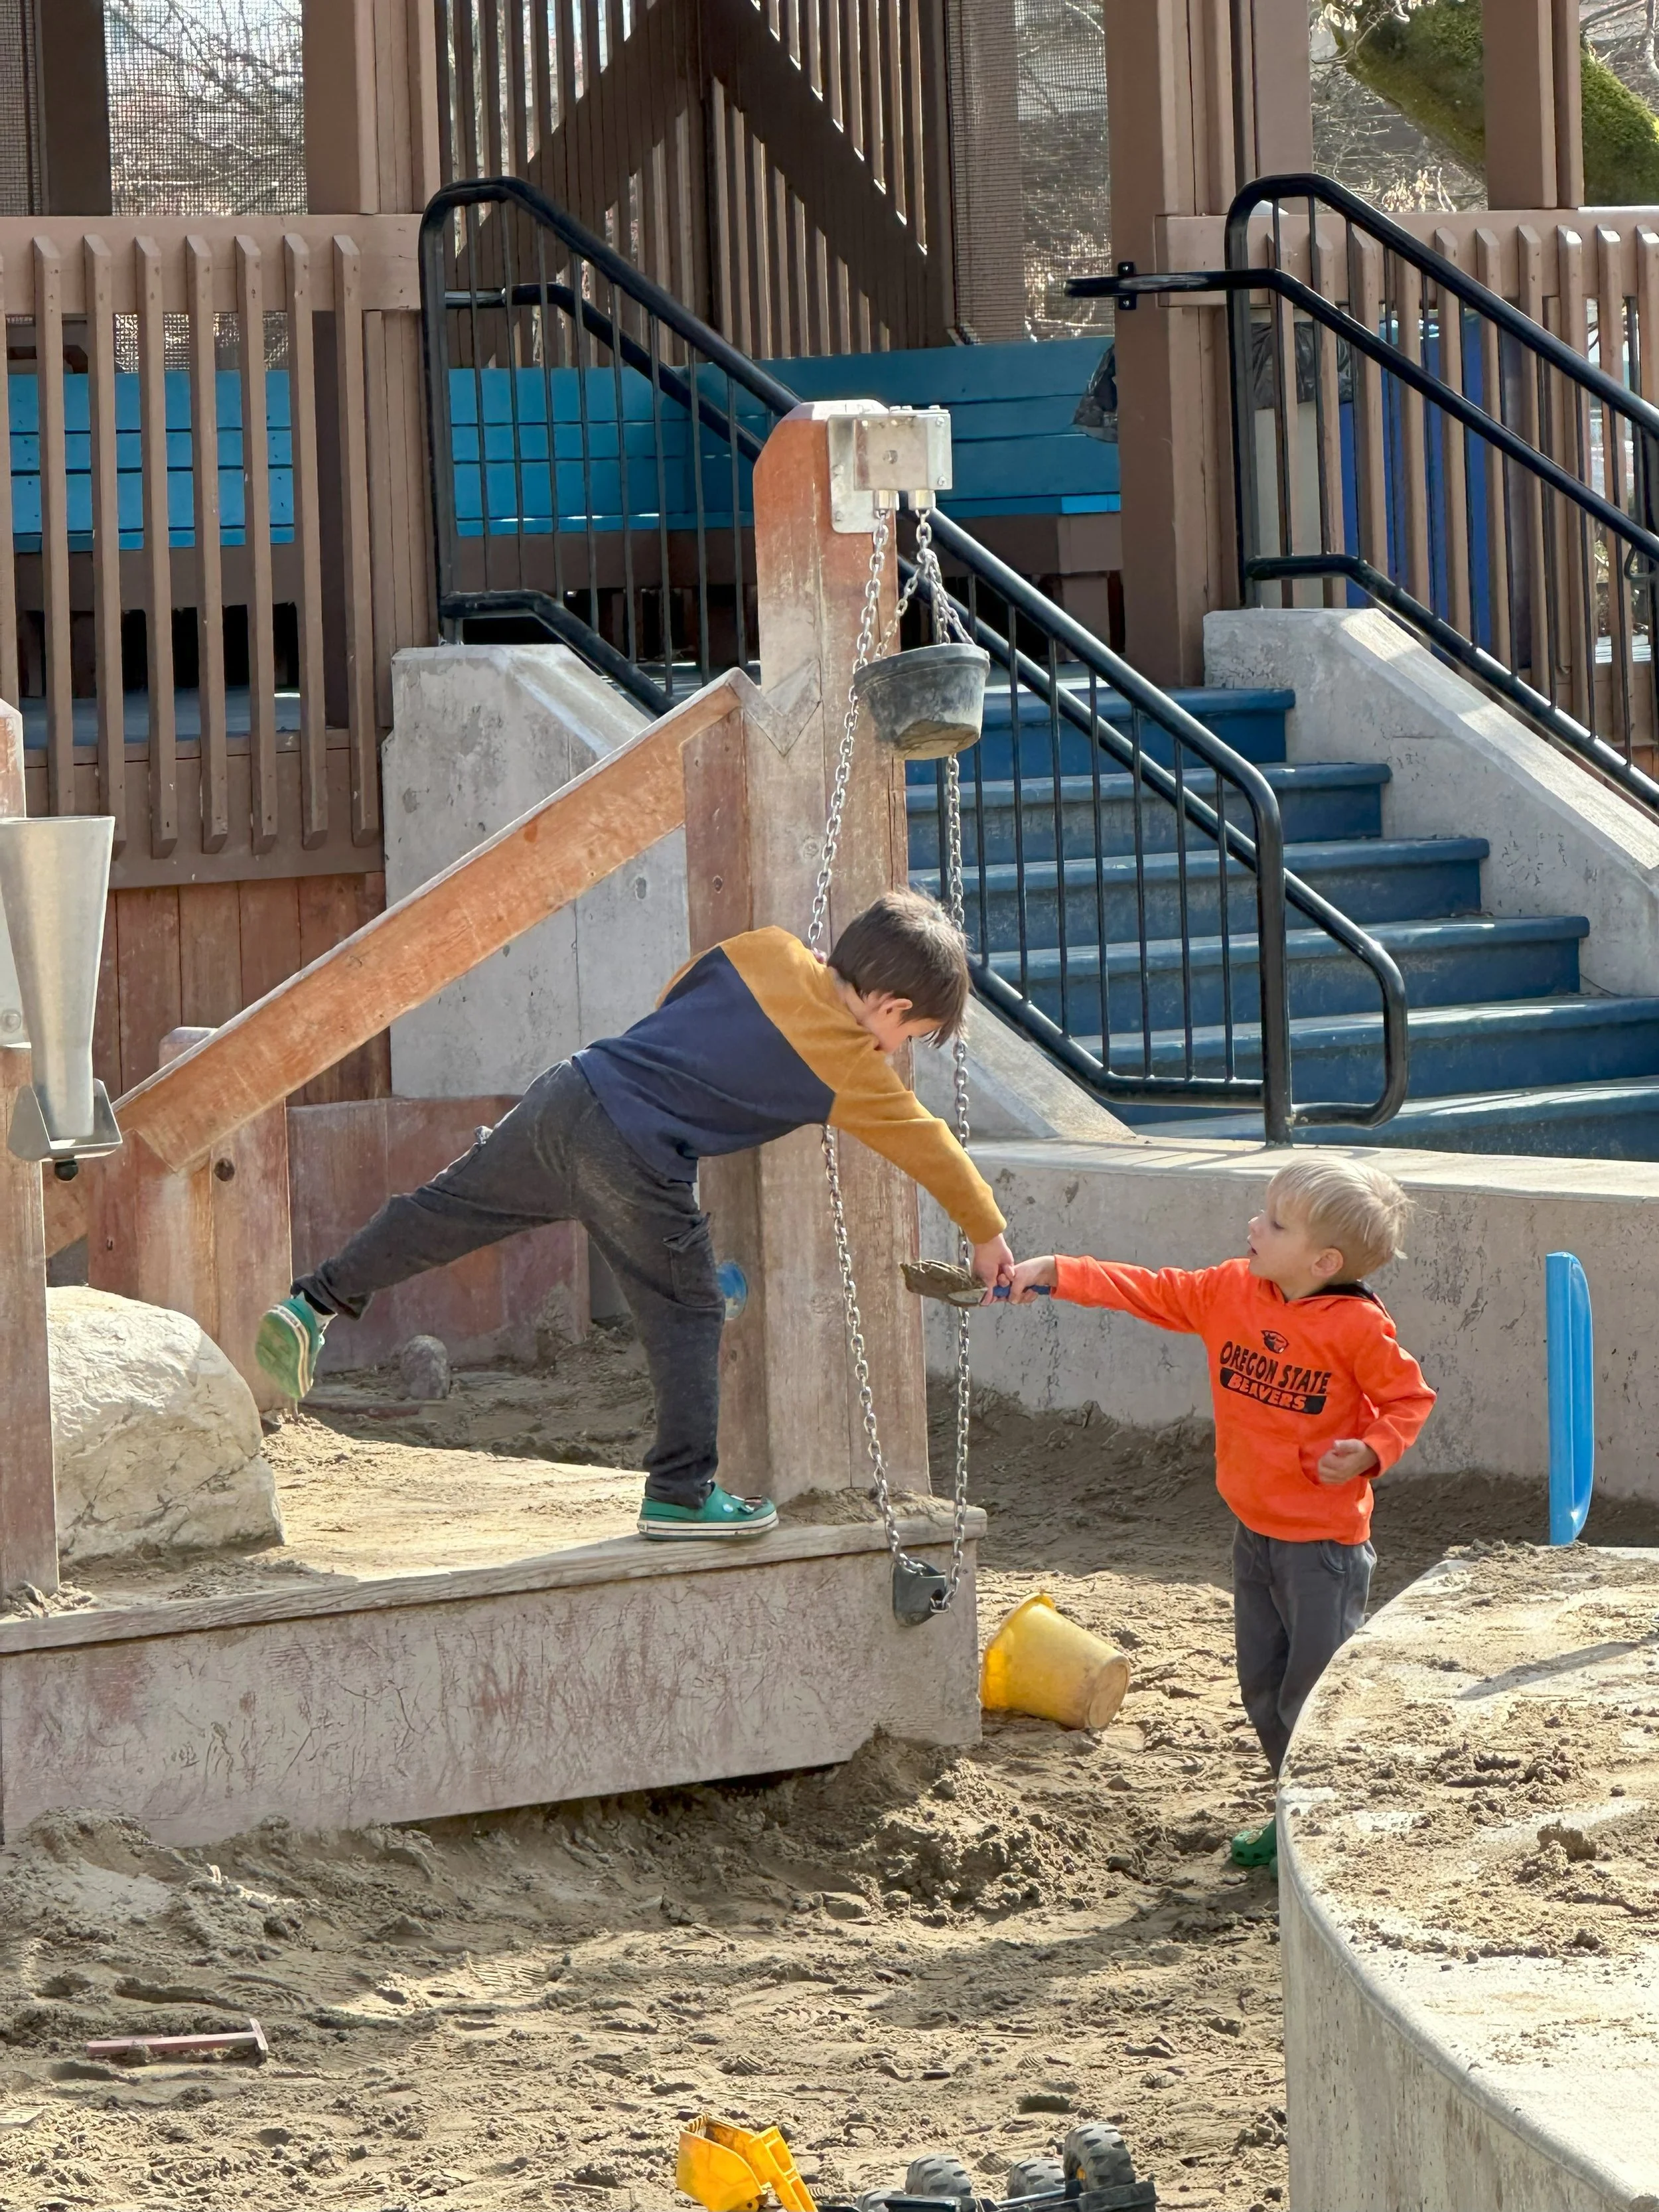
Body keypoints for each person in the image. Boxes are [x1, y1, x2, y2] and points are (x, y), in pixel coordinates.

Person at [258, 889, 1016, 1540]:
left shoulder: (770, 947)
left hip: (573, 1088)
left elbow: (682, 988)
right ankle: (682, 1494)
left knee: (444, 1212)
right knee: (689, 1310)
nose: (893, 1053)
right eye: (906, 1038)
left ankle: (316, 1300)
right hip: (637, 1151)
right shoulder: (850, 1063)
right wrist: (986, 1232)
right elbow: (928, 1145)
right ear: (890, 1006)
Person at [1005, 1155, 1433, 1868]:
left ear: (1323, 1260)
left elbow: (1408, 1400)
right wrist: (1055, 1270)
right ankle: (1292, 1813)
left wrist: (1368, 1451)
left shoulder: (1356, 1327)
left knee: (1313, 1698)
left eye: (1273, 1222)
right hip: (1253, 1533)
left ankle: (1320, 1841)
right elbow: (1147, 1289)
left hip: (1322, 1548)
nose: (1252, 1226)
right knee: (1262, 1690)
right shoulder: (1233, 1289)